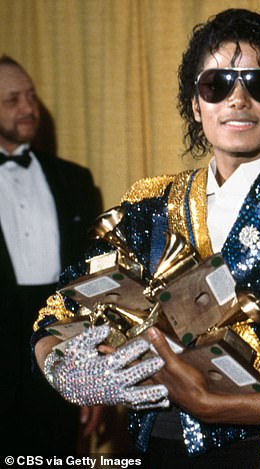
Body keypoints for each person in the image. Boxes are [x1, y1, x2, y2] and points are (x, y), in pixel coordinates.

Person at [32, 9, 260, 468]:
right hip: (147, 450)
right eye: (217, 84)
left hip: (252, 452)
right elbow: (59, 313)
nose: (238, 100)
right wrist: (63, 370)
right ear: (196, 104)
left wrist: (215, 405)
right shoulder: (149, 202)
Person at [0, 56, 103, 455]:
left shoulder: (74, 180)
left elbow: (91, 285)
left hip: (58, 362)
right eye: (12, 100)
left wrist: (90, 378)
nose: (29, 109)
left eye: (31, 96)